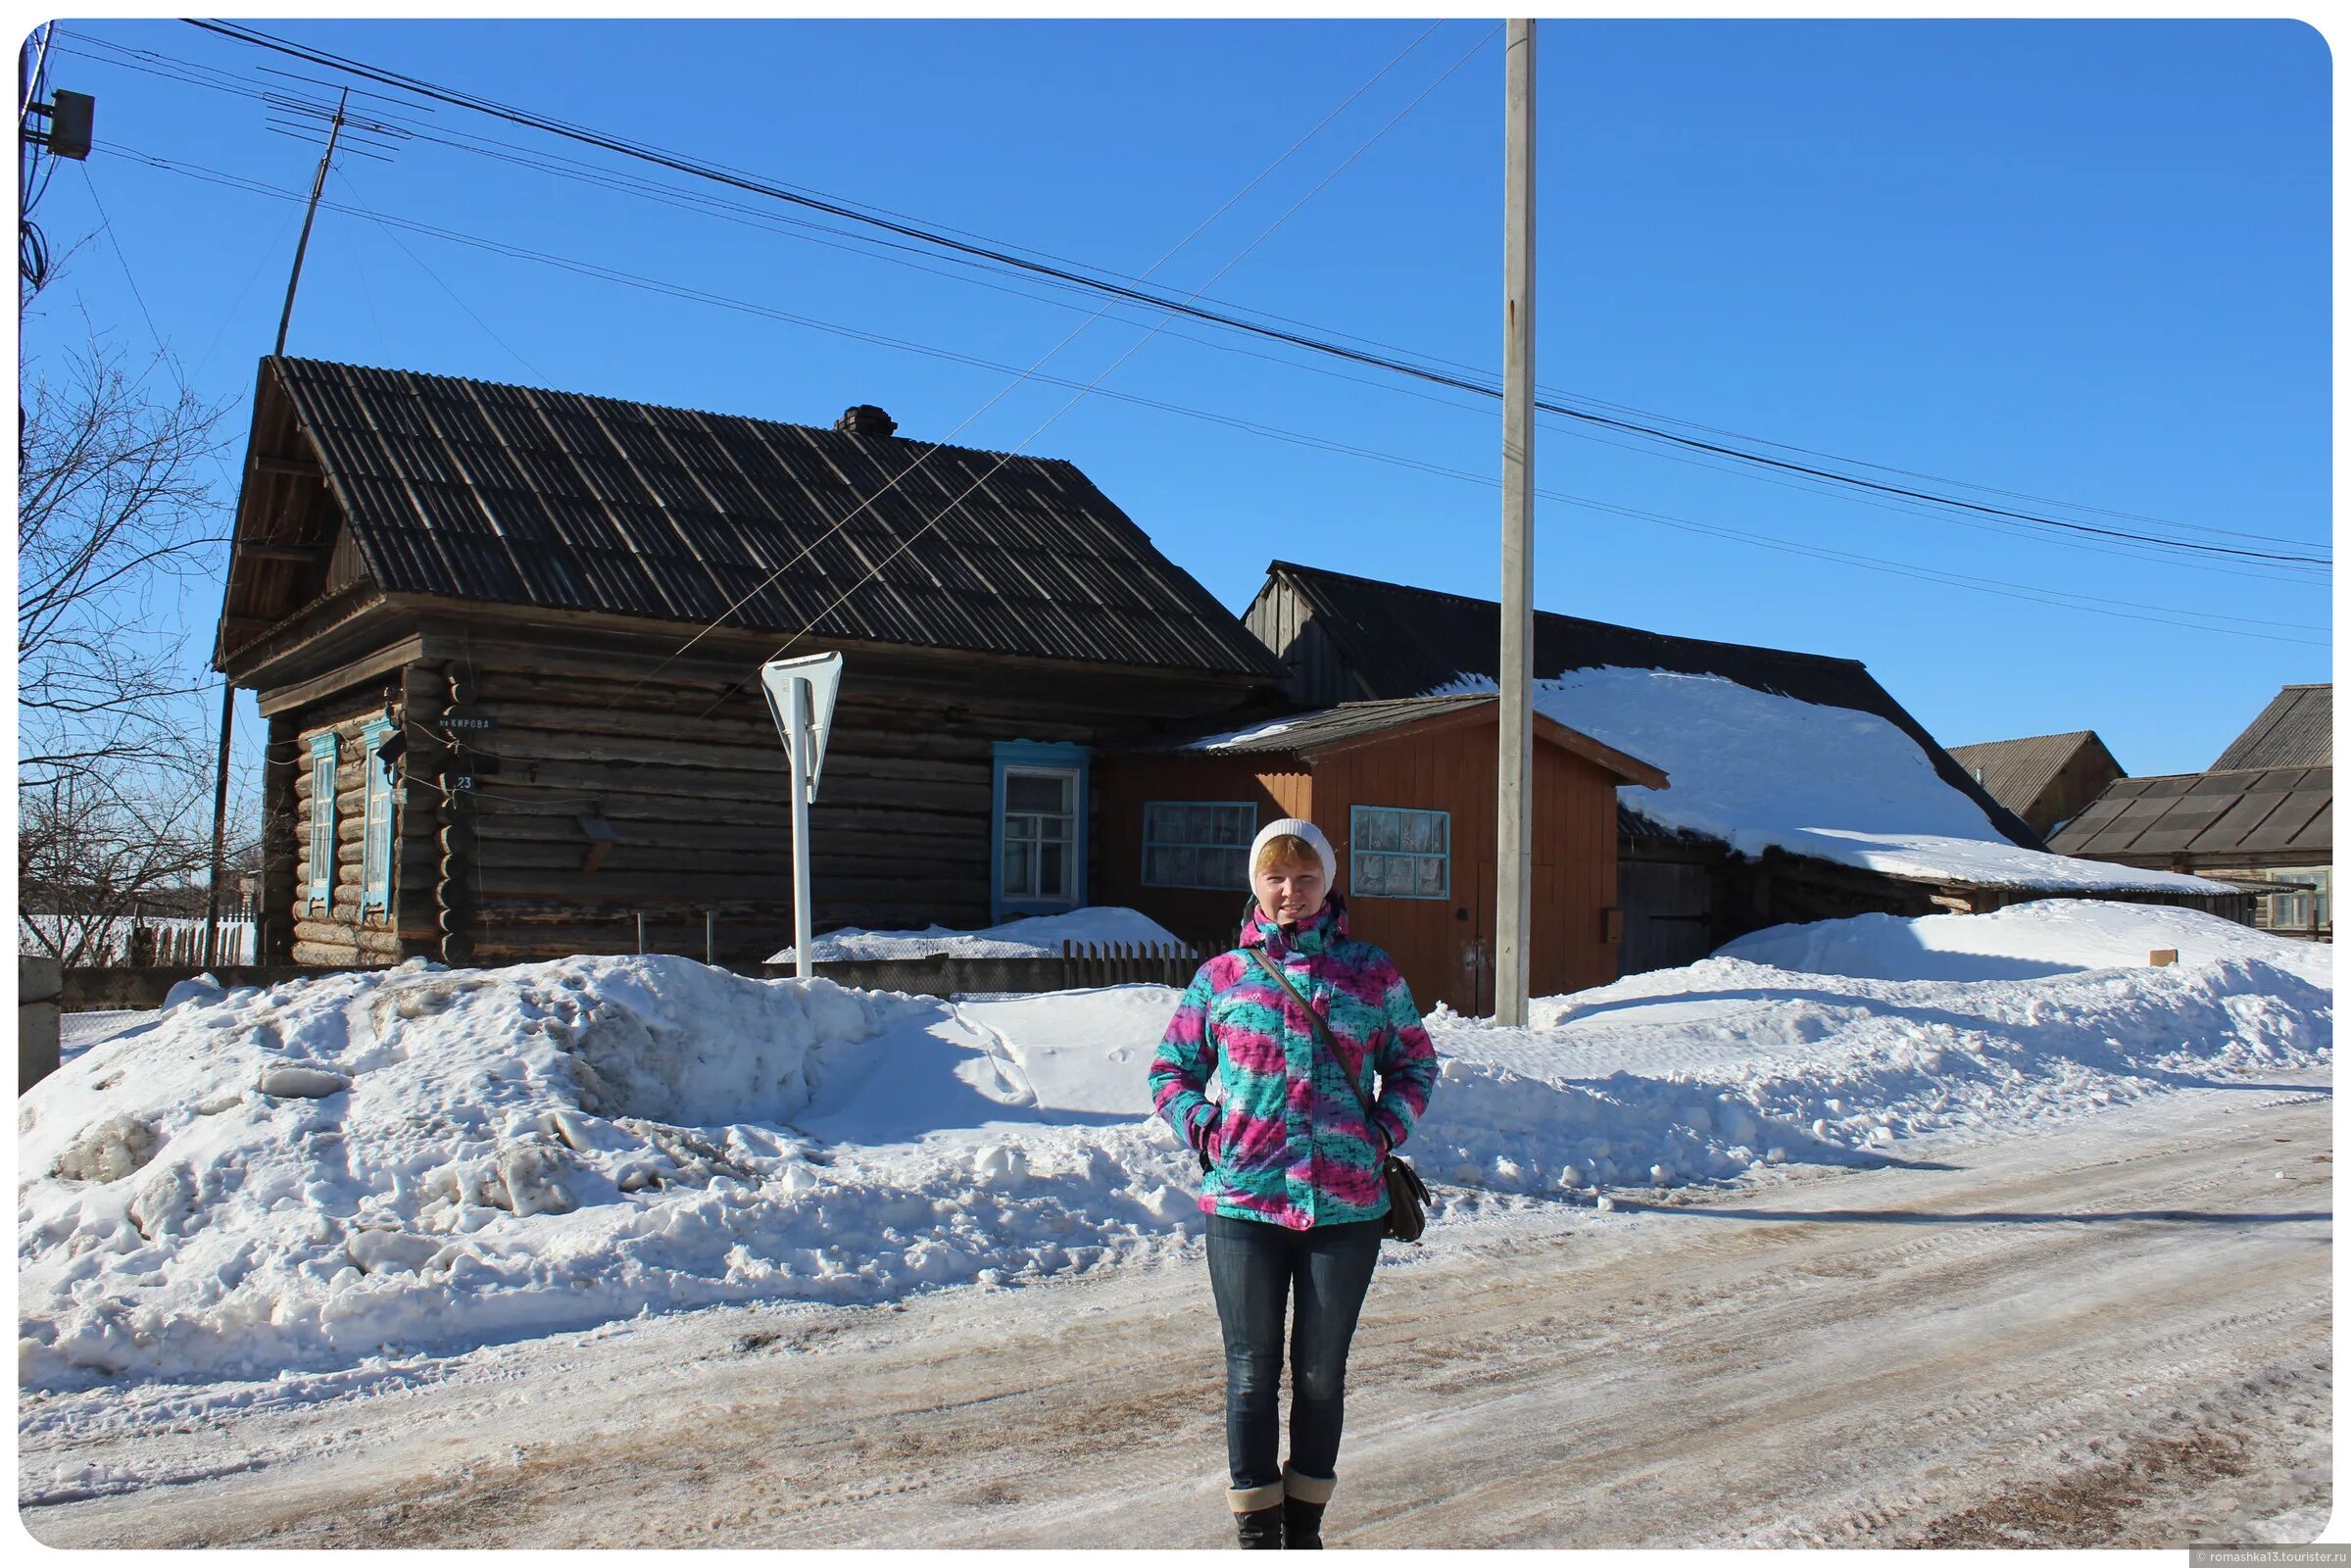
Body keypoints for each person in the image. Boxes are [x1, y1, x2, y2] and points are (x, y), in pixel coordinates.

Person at [1149, 816, 1439, 1549]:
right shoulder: (1221, 978)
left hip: (1345, 1206)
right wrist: (1206, 1130)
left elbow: (1414, 1065)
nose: (1290, 892)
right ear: (1255, 884)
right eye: (1275, 877)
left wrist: (1379, 1132)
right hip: (1245, 1202)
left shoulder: (1370, 973)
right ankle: (1255, 1533)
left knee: (1318, 1373)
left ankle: (1304, 1530)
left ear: (1327, 882)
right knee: (1250, 1373)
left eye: (1304, 877)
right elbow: (1169, 1072)